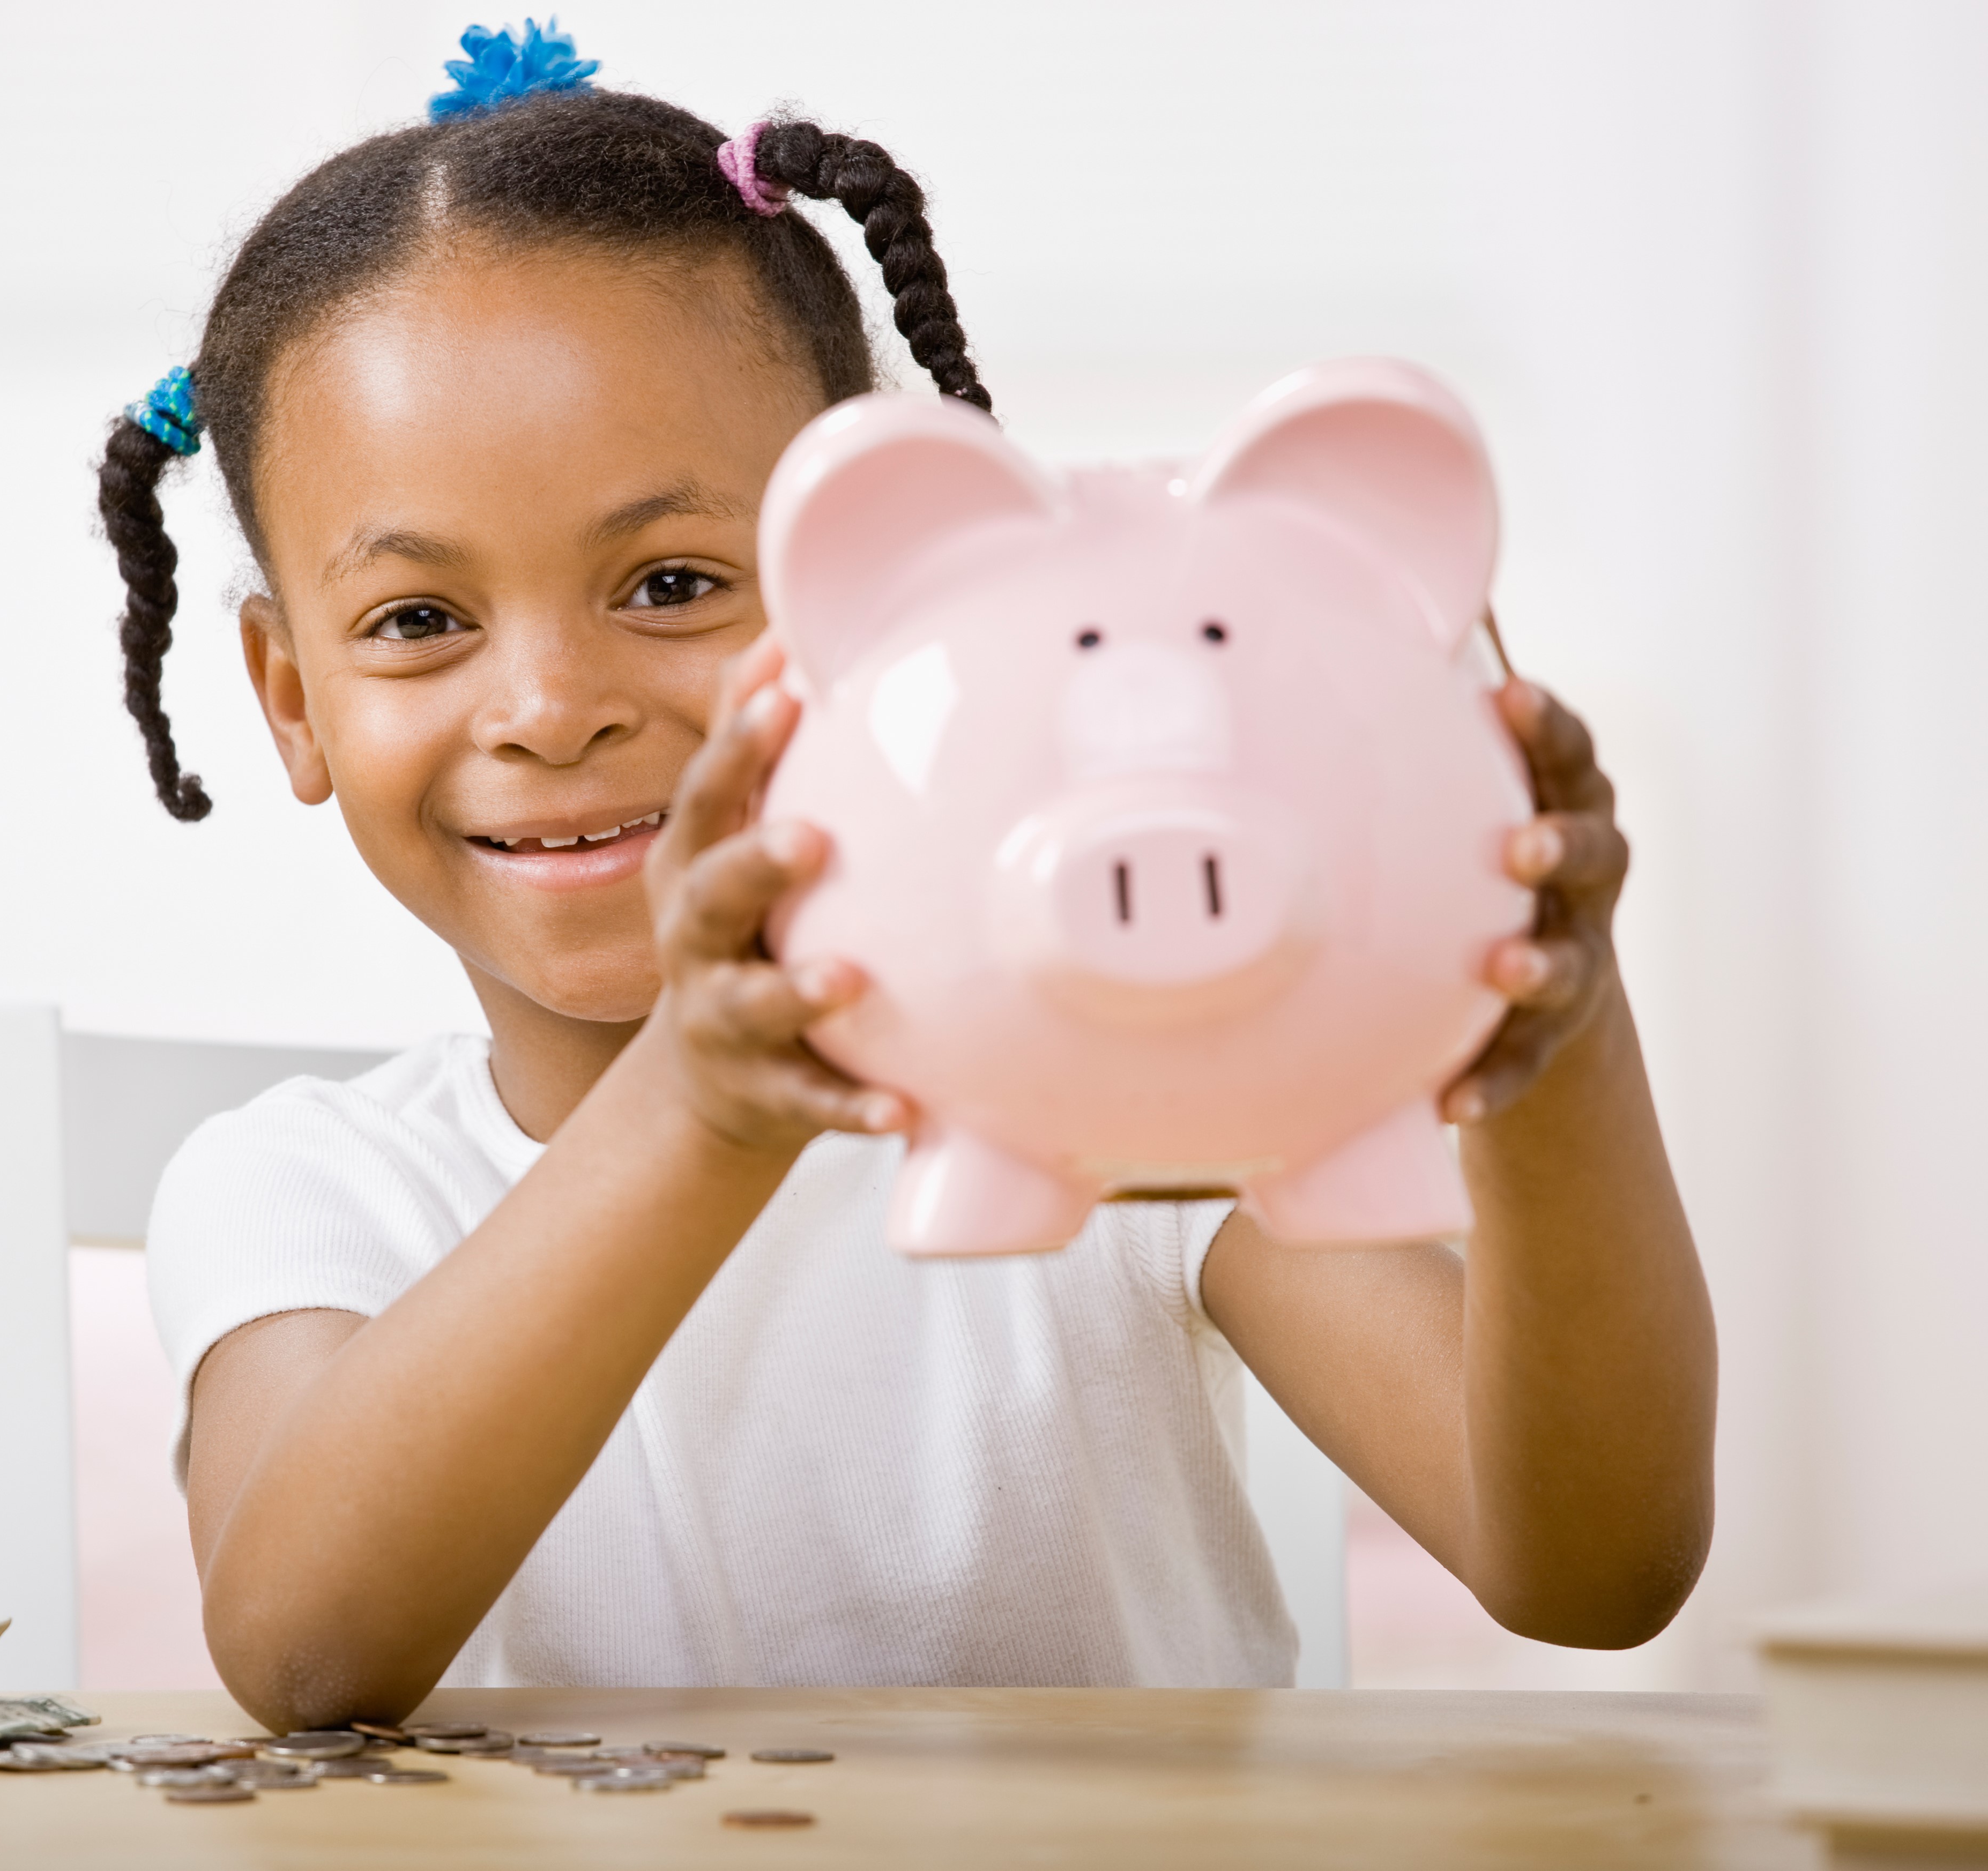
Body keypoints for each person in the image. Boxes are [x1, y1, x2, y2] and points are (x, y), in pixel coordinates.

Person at [106, 24, 1716, 1732]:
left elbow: (1594, 1571)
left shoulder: (1115, 1094)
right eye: (420, 621)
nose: (553, 710)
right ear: (293, 698)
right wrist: (707, 1107)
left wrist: (1564, 1032)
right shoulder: (295, 1185)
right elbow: (302, 1648)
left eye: (669, 583)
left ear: (888, 594)